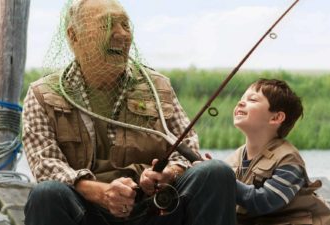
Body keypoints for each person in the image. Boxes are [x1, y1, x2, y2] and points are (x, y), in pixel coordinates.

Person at [22, 0, 236, 225]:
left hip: (155, 208)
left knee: (215, 171)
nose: (122, 34)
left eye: (125, 24)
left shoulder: (157, 86)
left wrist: (169, 172)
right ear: (74, 36)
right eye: (107, 25)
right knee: (46, 194)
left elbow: (187, 148)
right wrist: (103, 193)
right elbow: (45, 165)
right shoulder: (42, 94)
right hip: (87, 211)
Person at [225, 78, 330, 225]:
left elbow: (264, 201)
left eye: (252, 100)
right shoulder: (236, 157)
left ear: (276, 118)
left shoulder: (288, 159)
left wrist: (222, 177)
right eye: (241, 98)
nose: (240, 103)